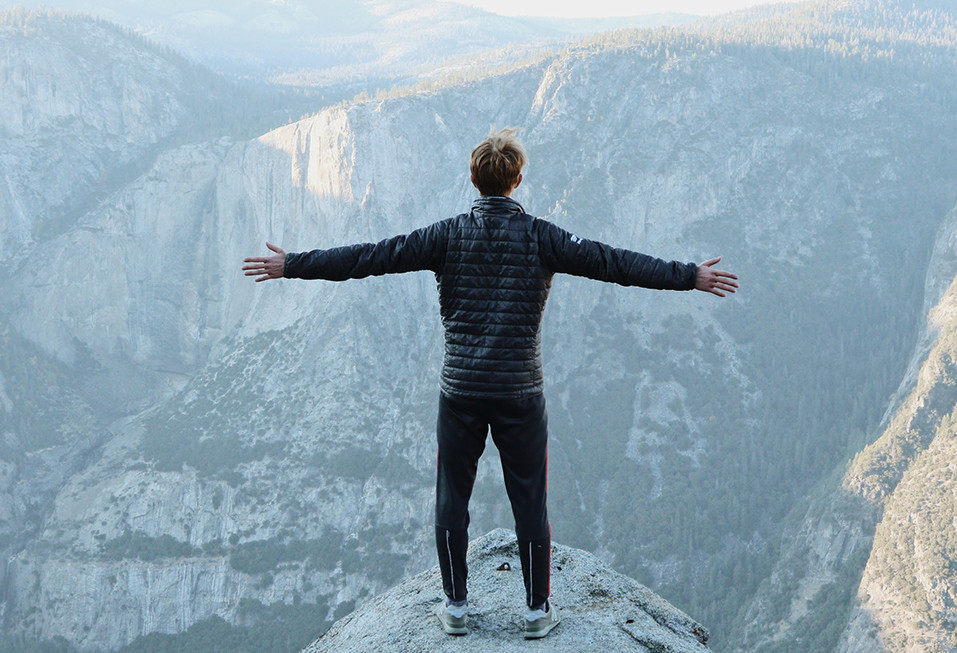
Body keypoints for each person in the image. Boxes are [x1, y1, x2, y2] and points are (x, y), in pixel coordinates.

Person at [242, 127, 738, 640]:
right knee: (530, 501)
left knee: (451, 496)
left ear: (473, 180)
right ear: (518, 180)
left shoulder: (445, 235)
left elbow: (369, 257)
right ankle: (537, 611)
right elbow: (614, 263)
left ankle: (455, 607)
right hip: (520, 393)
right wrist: (688, 276)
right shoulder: (544, 238)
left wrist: (291, 265)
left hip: (460, 393)